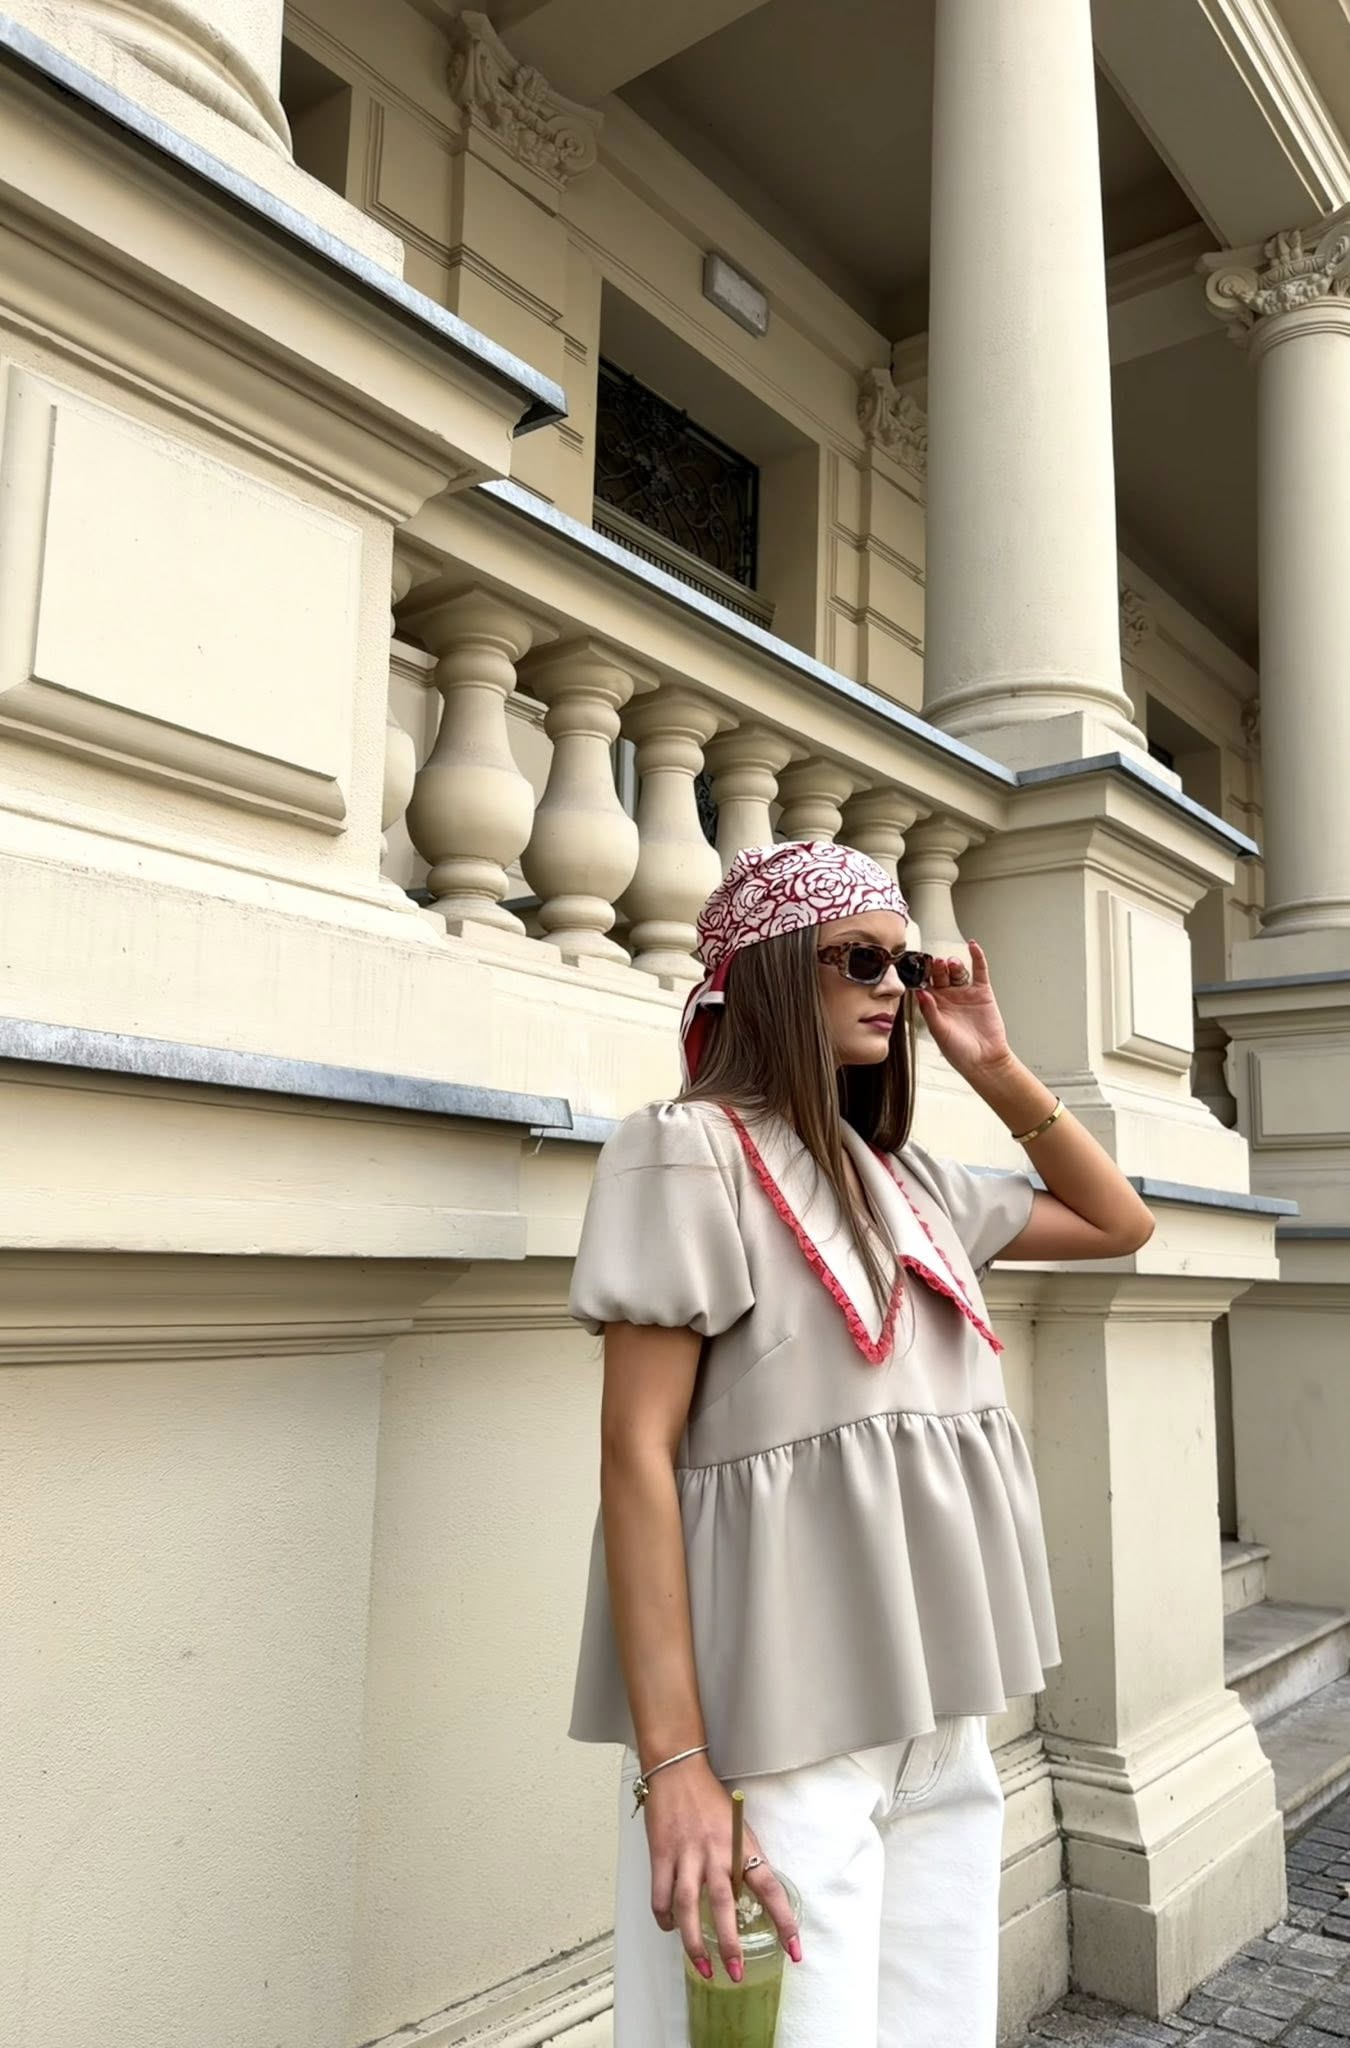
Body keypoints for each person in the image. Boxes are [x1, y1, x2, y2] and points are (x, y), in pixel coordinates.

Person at [568, 840, 1154, 2047]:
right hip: (775, 1733)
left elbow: (1118, 1220)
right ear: (776, 970)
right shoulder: (687, 1150)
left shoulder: (909, 1179)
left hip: (937, 1724)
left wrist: (993, 1064)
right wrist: (676, 1763)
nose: (896, 984)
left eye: (907, 962)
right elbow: (636, 1454)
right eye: (862, 959)